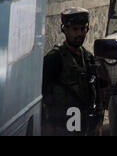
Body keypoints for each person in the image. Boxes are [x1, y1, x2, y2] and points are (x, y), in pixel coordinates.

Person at [42, 7, 105, 136]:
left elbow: (98, 93)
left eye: (83, 29)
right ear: (64, 30)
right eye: (75, 29)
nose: (80, 33)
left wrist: (98, 124)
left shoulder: (88, 58)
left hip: (84, 128)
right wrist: (45, 124)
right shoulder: (54, 59)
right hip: (60, 128)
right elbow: (41, 93)